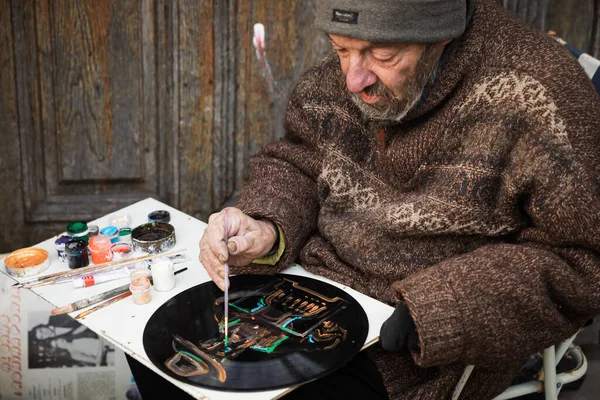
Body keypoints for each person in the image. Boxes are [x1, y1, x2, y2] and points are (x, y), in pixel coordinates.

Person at [199, 0, 600, 398]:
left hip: (418, 345)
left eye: (383, 55)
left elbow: (583, 260)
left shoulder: (539, 91)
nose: (353, 79)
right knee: (173, 367)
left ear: (440, 35)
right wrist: (266, 225)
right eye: (340, 49)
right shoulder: (340, 76)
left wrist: (446, 306)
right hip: (306, 291)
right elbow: (301, 161)